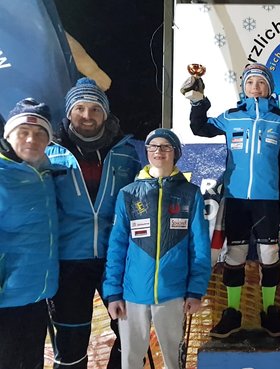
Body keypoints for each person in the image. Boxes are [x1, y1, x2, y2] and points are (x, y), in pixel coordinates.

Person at [187, 63, 280, 338]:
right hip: (237, 199)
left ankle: (270, 312)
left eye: (261, 83)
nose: (255, 87)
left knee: (269, 255)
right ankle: (232, 313)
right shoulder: (231, 117)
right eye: (250, 82)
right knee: (236, 254)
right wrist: (197, 102)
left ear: (269, 88)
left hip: (267, 199)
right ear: (244, 87)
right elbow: (200, 128)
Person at [45, 77, 141, 369]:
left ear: (105, 113)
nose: (87, 116)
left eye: (95, 109)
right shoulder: (50, 153)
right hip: (69, 259)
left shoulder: (126, 152)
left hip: (114, 257)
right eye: (80, 108)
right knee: (72, 340)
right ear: (69, 112)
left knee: (130, 331)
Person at [103, 128, 210, 369]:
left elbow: (200, 247)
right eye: (153, 146)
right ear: (147, 152)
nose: (158, 151)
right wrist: (113, 293)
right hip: (133, 294)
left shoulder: (189, 193)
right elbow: (117, 247)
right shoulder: (129, 194)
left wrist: (196, 290)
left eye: (165, 146)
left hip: (173, 293)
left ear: (176, 153)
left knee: (173, 361)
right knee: (130, 361)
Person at [0, 98, 59, 369]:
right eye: (23, 132)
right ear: (8, 136)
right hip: (6, 299)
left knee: (32, 362)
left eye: (39, 134)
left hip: (37, 294)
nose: (31, 139)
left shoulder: (46, 174)